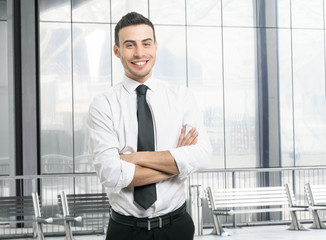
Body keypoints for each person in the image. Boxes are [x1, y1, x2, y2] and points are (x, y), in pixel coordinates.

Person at [87, 12, 211, 240]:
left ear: (155, 46)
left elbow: (202, 155)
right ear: (117, 51)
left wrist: (133, 159)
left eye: (146, 43)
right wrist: (178, 160)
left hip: (176, 227)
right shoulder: (103, 104)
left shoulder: (181, 97)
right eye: (130, 45)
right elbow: (111, 173)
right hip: (125, 231)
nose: (139, 53)